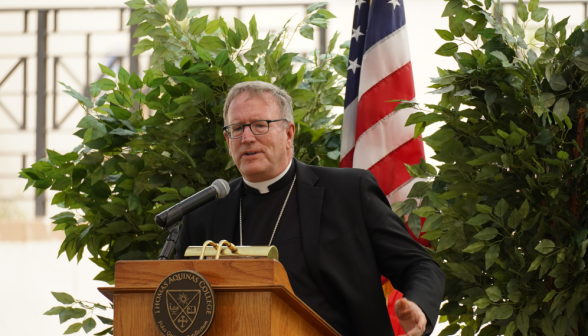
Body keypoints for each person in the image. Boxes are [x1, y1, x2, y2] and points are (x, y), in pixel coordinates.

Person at [176, 81, 445, 336]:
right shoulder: (205, 212)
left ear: (289, 133)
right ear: (228, 140)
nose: (246, 137)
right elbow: (179, 295)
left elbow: (418, 264)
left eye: (260, 125)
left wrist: (419, 305)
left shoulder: (349, 193)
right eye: (236, 128)